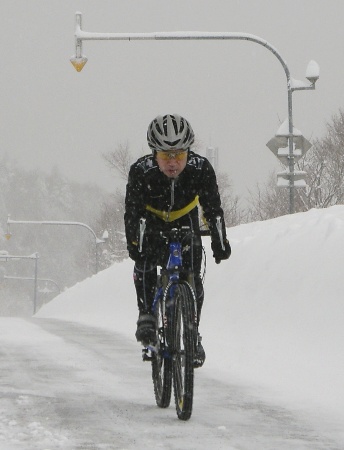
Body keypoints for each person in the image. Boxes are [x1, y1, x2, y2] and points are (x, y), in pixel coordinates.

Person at [124, 113, 231, 366]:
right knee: (145, 261)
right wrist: (135, 244)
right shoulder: (141, 172)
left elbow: (213, 209)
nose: (173, 163)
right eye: (165, 156)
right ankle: (147, 316)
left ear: (188, 153)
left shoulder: (200, 169)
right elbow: (132, 213)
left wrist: (220, 241)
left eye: (179, 155)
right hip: (153, 221)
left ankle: (192, 334)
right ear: (154, 154)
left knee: (194, 276)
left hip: (185, 220)